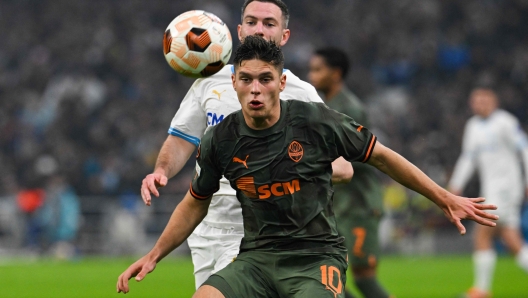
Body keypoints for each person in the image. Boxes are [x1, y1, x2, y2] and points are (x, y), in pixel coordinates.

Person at [117, 35, 498, 297]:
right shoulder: (220, 139)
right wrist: (154, 255)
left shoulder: (317, 121)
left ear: (281, 83)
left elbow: (380, 155)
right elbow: (195, 201)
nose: (255, 89)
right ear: (233, 82)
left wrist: (443, 196)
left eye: (265, 79)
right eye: (246, 79)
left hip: (315, 258)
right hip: (257, 259)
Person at [140, 0, 352, 289]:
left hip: (259, 229)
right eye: (251, 22)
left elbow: (342, 167)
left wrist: (281, 168)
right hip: (205, 227)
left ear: (284, 36)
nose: (259, 30)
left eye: (269, 24)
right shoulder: (210, 80)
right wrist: (161, 171)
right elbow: (181, 138)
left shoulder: (302, 94)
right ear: (239, 31)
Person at [308, 47, 391, 298]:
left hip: (359, 206)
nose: (311, 76)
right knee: (328, 279)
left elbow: (357, 159)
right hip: (338, 207)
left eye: (317, 70)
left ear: (336, 74)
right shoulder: (325, 105)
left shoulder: (349, 109)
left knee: (364, 279)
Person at [447, 87, 528, 298]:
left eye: (484, 99)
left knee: (482, 232)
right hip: (491, 189)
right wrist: (456, 184)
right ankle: (482, 290)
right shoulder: (473, 126)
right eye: (476, 100)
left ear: (494, 101)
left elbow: (525, 149)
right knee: (513, 242)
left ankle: (481, 291)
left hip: (507, 188)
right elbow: (468, 158)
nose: (480, 104)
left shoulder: (505, 122)